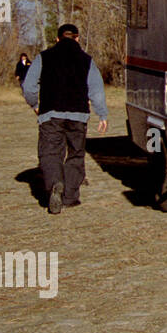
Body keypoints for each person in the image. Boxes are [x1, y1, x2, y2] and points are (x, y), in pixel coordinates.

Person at [21, 24, 108, 214]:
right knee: (76, 154)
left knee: (50, 153)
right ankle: (70, 197)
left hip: (50, 114)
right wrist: (102, 114)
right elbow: (96, 90)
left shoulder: (43, 57)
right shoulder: (87, 60)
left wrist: (35, 104)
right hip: (78, 115)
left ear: (57, 39)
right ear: (77, 39)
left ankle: (55, 184)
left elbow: (28, 86)